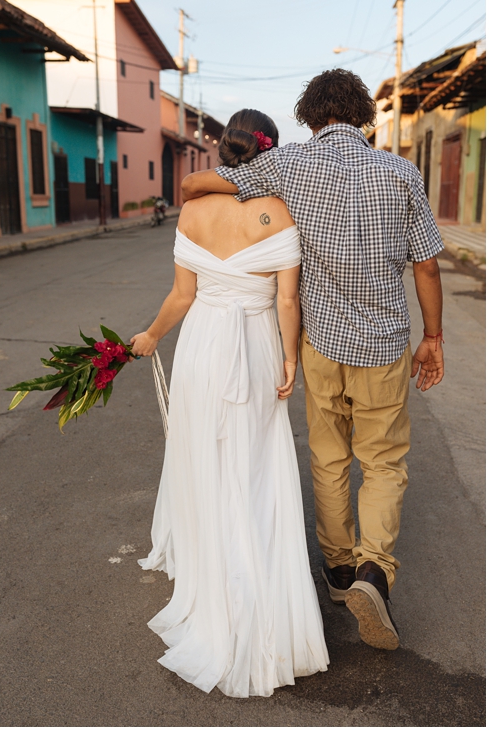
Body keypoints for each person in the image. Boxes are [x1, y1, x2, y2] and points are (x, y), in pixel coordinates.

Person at [181, 69, 445, 652]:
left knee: (329, 457)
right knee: (382, 461)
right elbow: (426, 264)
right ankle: (375, 572)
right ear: (362, 115)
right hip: (382, 344)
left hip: (321, 342)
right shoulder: (402, 172)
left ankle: (339, 571)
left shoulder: (290, 164)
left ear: (309, 115)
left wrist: (225, 190)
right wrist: (434, 337)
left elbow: (202, 182)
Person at [130, 109, 329, 698]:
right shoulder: (282, 212)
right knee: (257, 463)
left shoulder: (192, 210)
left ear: (223, 151)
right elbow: (287, 301)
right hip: (256, 345)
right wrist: (290, 357)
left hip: (203, 347)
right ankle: (258, 570)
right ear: (269, 153)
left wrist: (151, 336)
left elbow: (181, 294)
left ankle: (211, 563)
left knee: (202, 452)